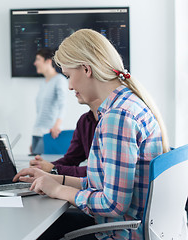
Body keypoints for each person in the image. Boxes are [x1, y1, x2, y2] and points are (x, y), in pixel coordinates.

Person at [14, 29, 169, 239]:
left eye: (69, 76)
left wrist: (58, 190)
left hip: (118, 233)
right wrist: (55, 179)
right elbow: (103, 185)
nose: (69, 86)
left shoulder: (117, 117)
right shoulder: (128, 104)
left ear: (86, 69)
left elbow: (112, 205)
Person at [30, 98, 101, 177]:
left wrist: (54, 169)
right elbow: (71, 160)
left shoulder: (113, 119)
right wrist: (44, 166)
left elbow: (101, 171)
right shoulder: (84, 121)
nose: (70, 88)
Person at [31, 48, 68, 155]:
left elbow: (63, 104)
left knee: (40, 166)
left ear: (48, 61)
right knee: (33, 163)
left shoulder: (60, 80)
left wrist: (57, 125)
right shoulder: (43, 83)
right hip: (36, 132)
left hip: (49, 133)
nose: (35, 63)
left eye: (38, 59)